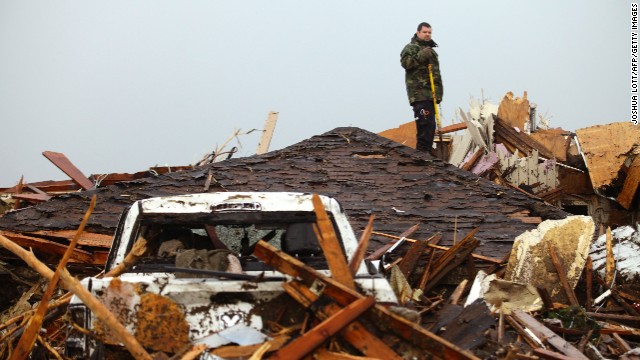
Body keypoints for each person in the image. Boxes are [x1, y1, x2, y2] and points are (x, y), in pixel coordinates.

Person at [400, 22, 443, 153]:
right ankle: (422, 155)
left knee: (430, 125)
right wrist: (421, 56)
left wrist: (439, 94)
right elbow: (406, 63)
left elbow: (436, 75)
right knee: (424, 123)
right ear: (418, 32)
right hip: (419, 93)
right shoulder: (411, 48)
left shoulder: (432, 51)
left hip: (431, 95)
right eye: (425, 32)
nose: (427, 35)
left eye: (429, 32)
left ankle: (427, 153)